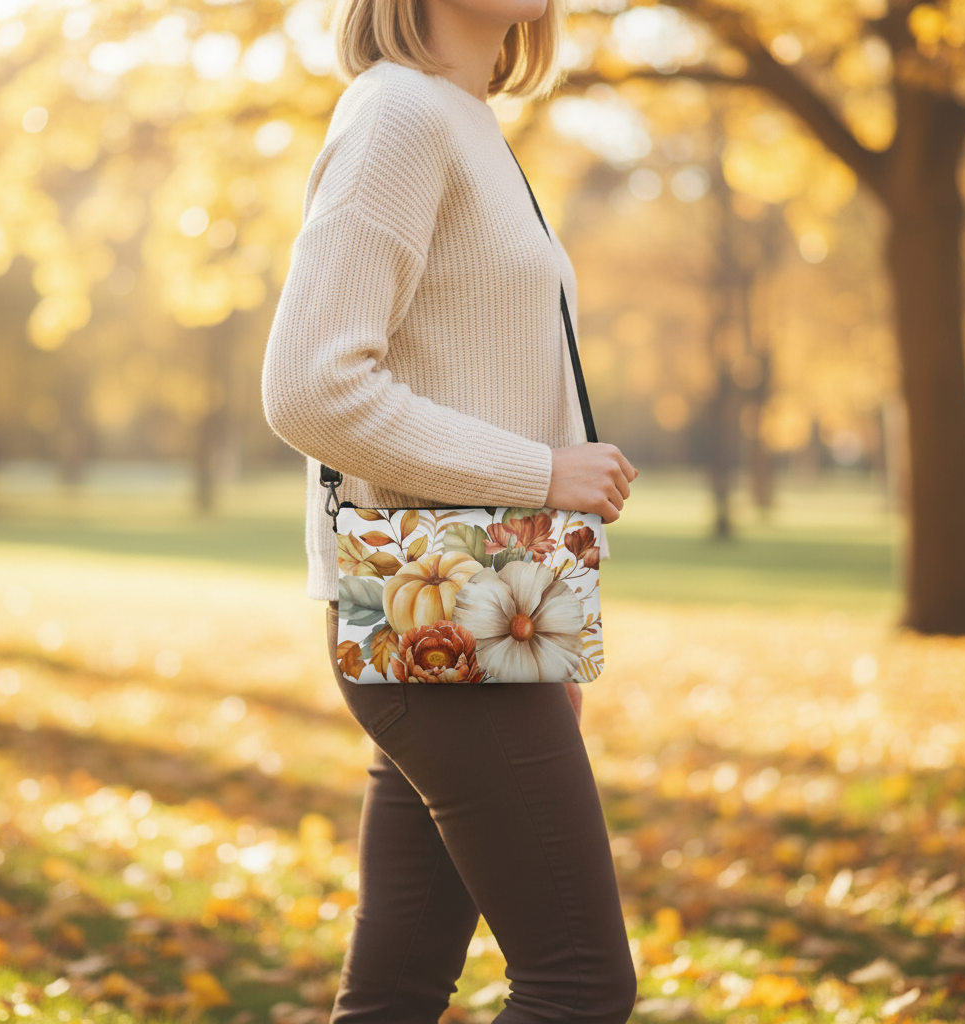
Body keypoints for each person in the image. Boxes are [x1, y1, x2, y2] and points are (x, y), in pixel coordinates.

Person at [261, 0, 639, 1020]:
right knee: (580, 985)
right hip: (435, 622)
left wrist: (542, 633)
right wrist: (540, 471)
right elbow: (310, 387)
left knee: (393, 995)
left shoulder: (462, 119)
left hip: (477, 624)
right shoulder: (397, 116)